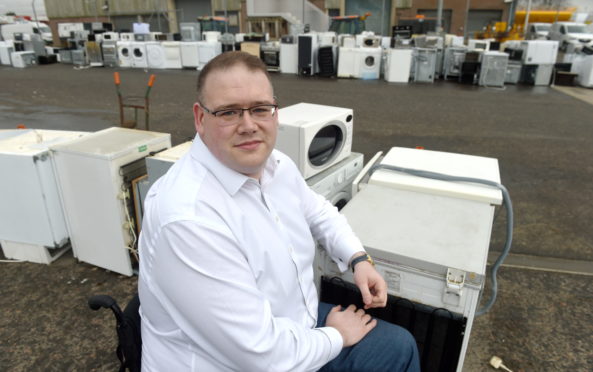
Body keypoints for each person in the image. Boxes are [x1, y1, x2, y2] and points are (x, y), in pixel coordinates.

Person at [138, 51, 419, 372]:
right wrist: (335, 336)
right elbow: (260, 354)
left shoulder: (276, 165)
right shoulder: (188, 218)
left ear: (275, 112)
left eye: (260, 109)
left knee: (400, 346)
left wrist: (357, 259)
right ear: (200, 119)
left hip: (294, 326)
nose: (248, 125)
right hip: (232, 362)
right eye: (229, 112)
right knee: (395, 349)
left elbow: (319, 212)